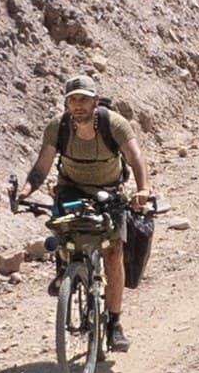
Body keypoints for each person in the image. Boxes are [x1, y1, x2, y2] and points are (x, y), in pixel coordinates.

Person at [16, 75, 153, 352]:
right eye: (73, 99)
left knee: (113, 253)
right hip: (71, 188)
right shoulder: (58, 127)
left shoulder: (113, 124)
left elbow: (135, 156)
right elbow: (42, 165)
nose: (78, 105)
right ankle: (66, 269)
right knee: (62, 226)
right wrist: (27, 189)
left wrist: (143, 189)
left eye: (83, 99)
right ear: (67, 103)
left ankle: (114, 324)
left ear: (95, 100)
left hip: (109, 192)